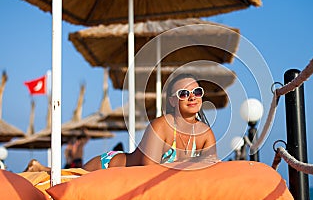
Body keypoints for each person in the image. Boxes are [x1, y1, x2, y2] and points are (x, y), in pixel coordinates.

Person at [24, 73, 218, 172]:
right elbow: (147, 170)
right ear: (173, 101)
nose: (192, 97)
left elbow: (211, 166)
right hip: (110, 166)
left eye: (197, 92)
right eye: (184, 94)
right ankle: (40, 168)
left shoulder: (205, 134)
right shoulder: (161, 127)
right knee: (70, 179)